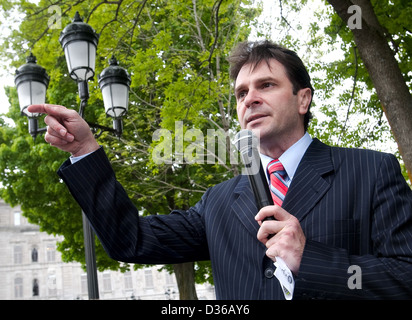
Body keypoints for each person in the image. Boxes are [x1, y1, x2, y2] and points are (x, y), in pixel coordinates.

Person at [28, 40, 412, 299]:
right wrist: (86, 151)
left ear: (302, 99)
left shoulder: (372, 171)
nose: (251, 99)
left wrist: (308, 258)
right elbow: (132, 240)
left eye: (266, 85)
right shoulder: (220, 200)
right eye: (242, 93)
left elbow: (405, 277)